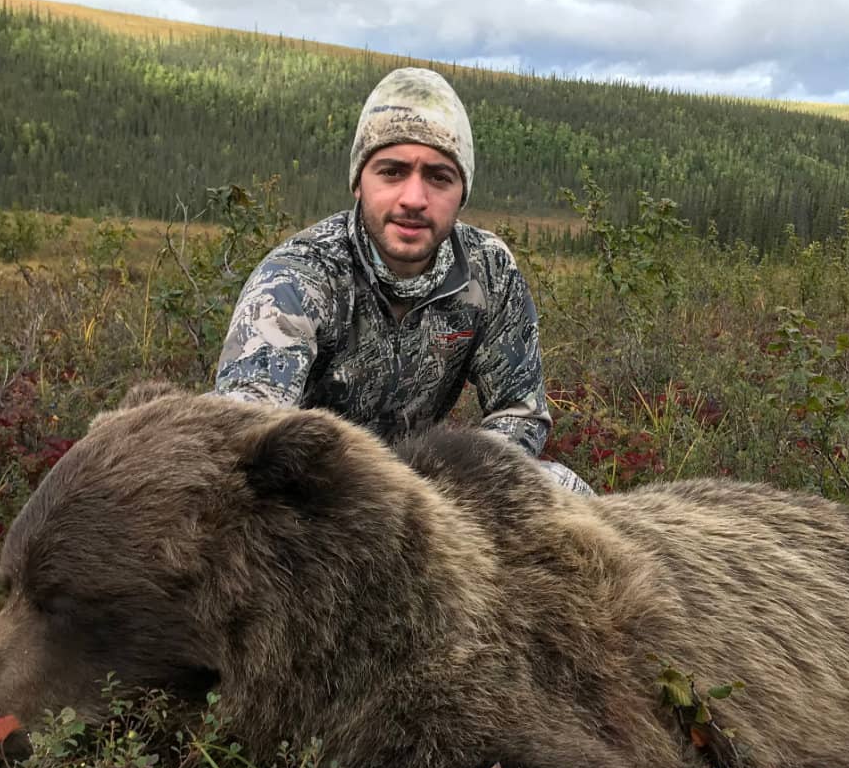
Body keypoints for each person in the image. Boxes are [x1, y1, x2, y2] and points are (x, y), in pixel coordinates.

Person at [212, 67, 591, 493]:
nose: (414, 199)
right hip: (318, 493)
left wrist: (455, 479)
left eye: (438, 177)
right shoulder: (297, 278)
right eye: (392, 172)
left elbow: (518, 414)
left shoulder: (489, 269)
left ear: (461, 194)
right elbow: (249, 429)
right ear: (359, 183)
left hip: (434, 491)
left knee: (564, 489)